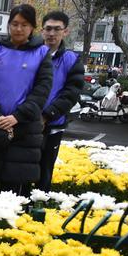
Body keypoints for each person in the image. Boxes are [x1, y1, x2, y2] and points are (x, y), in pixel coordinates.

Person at [0, 4, 54, 203]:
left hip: (23, 129)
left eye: (24, 24)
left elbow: (42, 90)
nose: (18, 29)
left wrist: (16, 117)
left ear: (33, 27)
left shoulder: (41, 53)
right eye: (14, 24)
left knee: (12, 190)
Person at [39, 10, 86, 191]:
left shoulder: (71, 60)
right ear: (42, 30)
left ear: (65, 31)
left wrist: (47, 116)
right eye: (48, 29)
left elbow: (71, 93)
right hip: (27, 121)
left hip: (53, 124)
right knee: (22, 171)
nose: (52, 33)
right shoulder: (32, 54)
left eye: (57, 29)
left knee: (45, 172)